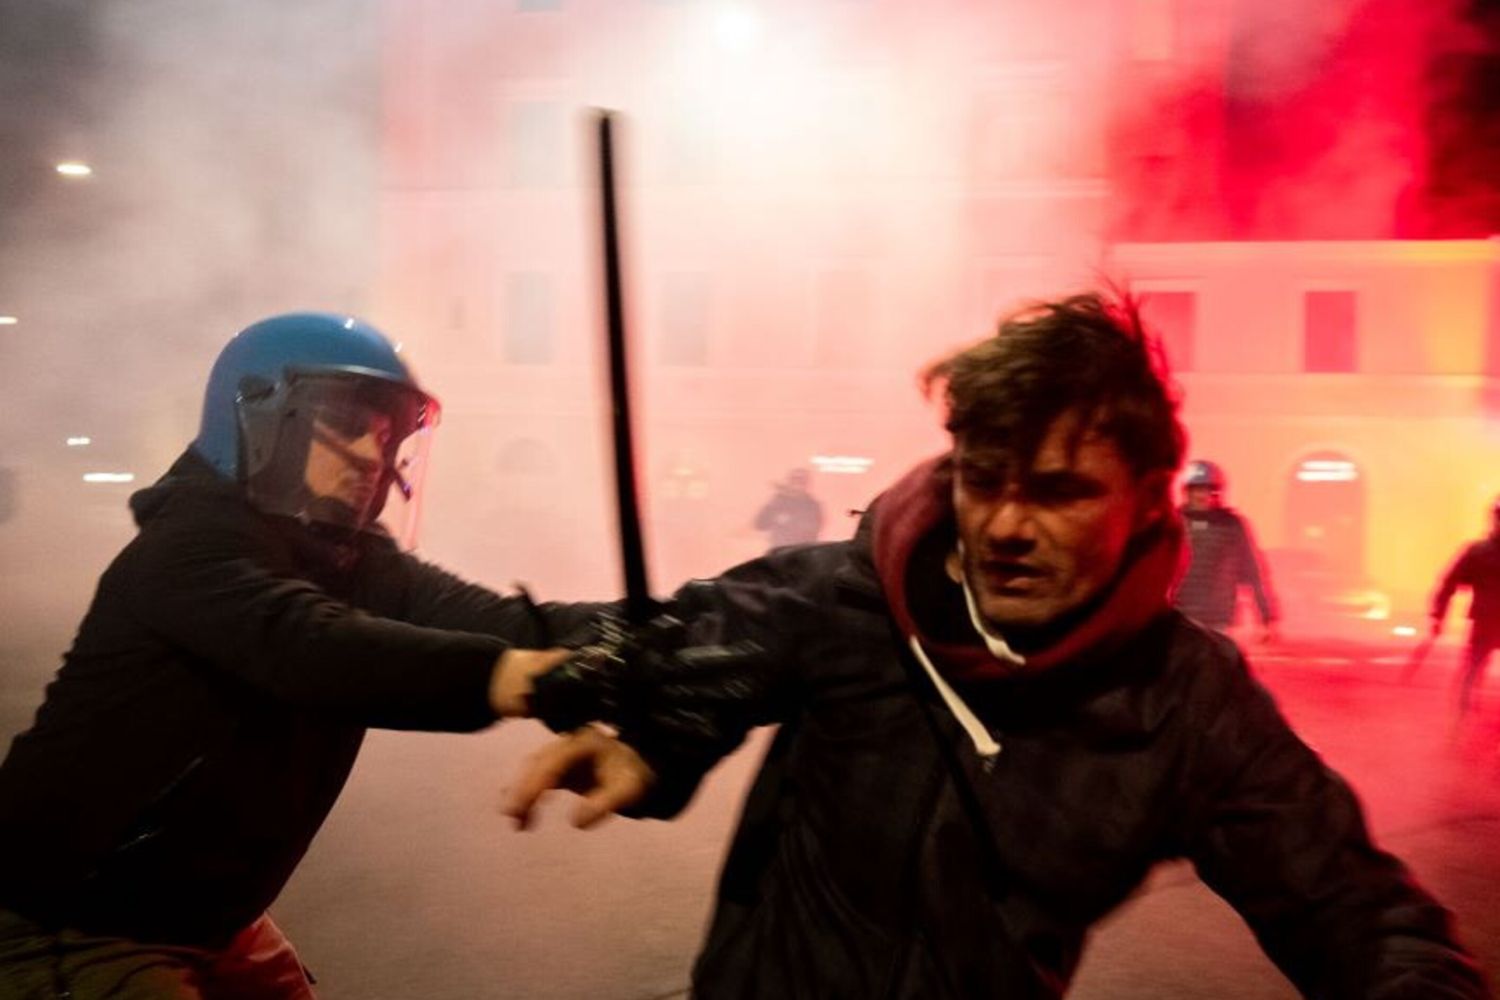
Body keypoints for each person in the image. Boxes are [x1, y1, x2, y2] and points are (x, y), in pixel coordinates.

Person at [508, 293, 1489, 999]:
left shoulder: (1185, 700)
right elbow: (711, 641)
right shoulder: (850, 594)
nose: (1008, 526)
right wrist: (652, 734)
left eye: (1061, 492)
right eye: (985, 481)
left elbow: (1353, 909)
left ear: (1147, 500)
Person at [0, 313, 577, 998]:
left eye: (386, 435)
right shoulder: (185, 550)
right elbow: (315, 647)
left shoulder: (351, 558)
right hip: (66, 918)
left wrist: (658, 632)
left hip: (211, 920)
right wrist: (523, 679)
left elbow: (505, 622)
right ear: (260, 420)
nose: (372, 455)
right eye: (345, 425)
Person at [1173, 458, 1279, 642]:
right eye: (1195, 490)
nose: (1200, 496)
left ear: (1216, 493)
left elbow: (1252, 572)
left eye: (1206, 490)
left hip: (1217, 619)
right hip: (1180, 616)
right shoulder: (1174, 524)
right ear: (1186, 492)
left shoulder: (1232, 526)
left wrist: (1266, 617)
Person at [1430, 496, 1500, 715]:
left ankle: (1462, 711)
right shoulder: (1478, 553)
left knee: (1472, 667)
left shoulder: (1478, 552)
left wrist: (1438, 615)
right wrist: (1438, 615)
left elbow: (1449, 583)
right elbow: (1450, 583)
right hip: (1486, 622)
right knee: (1472, 669)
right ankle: (1461, 712)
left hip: (1485, 620)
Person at [752, 467, 823, 550]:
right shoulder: (779, 501)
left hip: (801, 552)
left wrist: (789, 519)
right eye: (794, 481)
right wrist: (773, 506)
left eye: (800, 482)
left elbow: (812, 530)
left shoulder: (812, 506)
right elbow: (760, 525)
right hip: (778, 551)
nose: (797, 485)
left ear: (806, 485)